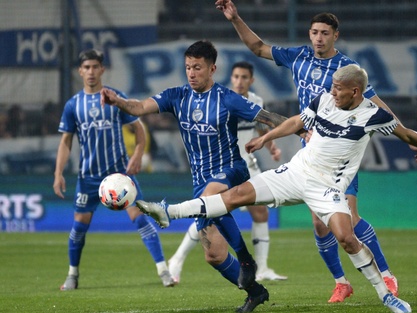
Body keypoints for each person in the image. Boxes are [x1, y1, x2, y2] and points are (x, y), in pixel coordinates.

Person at [137, 64, 417, 313]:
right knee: (235, 196)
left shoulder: (373, 115)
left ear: (356, 91)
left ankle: (386, 296)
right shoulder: (325, 101)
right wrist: (266, 137)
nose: (332, 92)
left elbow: (406, 134)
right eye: (332, 86)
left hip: (328, 187)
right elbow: (297, 121)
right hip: (295, 171)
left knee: (346, 237)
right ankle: (169, 212)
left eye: (339, 89)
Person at [215, 1, 417, 302]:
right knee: (318, 222)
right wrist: (235, 18)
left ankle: (387, 276)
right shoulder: (298, 56)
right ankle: (342, 282)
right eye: (314, 32)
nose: (318, 38)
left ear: (335, 36)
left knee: (349, 219)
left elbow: (378, 108)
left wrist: (409, 138)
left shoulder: (347, 70)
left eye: (324, 33)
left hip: (340, 152)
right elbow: (258, 47)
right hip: (311, 153)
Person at [100, 40, 290, 312]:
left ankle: (247, 259)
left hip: (230, 170)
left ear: (212, 69)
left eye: (197, 68)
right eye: (188, 67)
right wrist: (118, 101)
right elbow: (140, 108)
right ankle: (256, 292)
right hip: (200, 180)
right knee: (214, 255)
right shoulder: (177, 96)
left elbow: (267, 117)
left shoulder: (227, 98)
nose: (191, 72)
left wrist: (301, 128)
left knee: (210, 196)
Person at [53, 49, 174, 291]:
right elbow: (66, 141)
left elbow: (139, 129)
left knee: (141, 218)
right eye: (86, 67)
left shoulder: (115, 97)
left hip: (119, 175)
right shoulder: (73, 105)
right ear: (80, 71)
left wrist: (138, 154)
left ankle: (164, 271)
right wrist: (58, 173)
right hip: (88, 177)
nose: (90, 72)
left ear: (102, 69)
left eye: (95, 67)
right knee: (79, 227)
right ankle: (72, 275)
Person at [167, 61, 286, 284]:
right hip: (223, 166)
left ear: (251, 81)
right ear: (231, 78)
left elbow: (260, 127)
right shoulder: (221, 99)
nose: (239, 81)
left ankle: (262, 268)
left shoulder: (255, 102)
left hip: (246, 165)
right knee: (208, 211)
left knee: (260, 214)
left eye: (244, 77)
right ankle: (177, 259)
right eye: (236, 76)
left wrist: (272, 147)